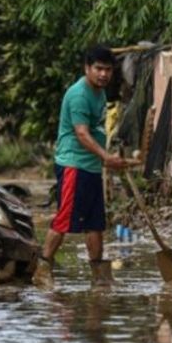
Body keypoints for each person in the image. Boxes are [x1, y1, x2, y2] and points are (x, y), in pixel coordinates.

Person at [32, 45, 127, 288]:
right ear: (87, 69)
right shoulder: (79, 95)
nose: (104, 74)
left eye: (108, 70)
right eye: (98, 69)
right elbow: (82, 134)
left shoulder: (100, 93)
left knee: (96, 224)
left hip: (92, 167)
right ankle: (42, 269)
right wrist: (107, 157)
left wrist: (105, 158)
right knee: (64, 219)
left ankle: (100, 277)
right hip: (73, 164)